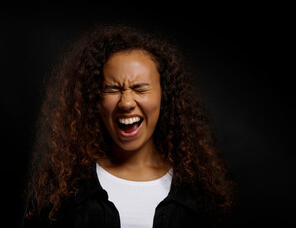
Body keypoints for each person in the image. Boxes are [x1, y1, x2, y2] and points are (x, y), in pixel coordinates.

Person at [22, 23, 236, 228]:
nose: (125, 103)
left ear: (165, 96)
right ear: (95, 99)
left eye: (140, 89)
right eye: (113, 89)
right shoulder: (61, 192)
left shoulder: (198, 195)